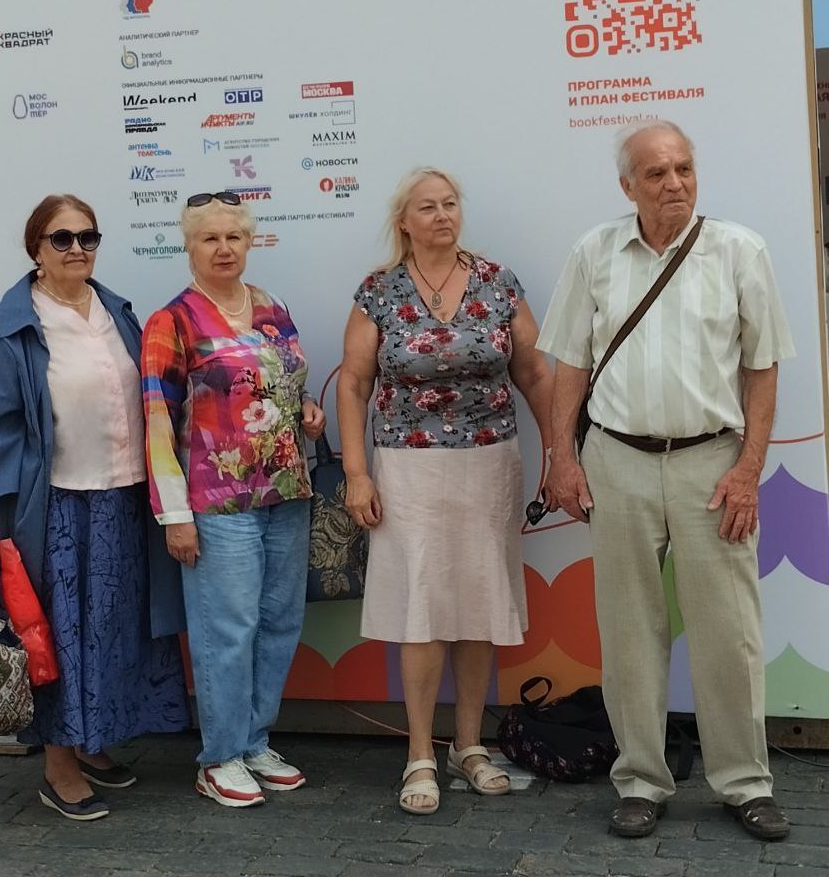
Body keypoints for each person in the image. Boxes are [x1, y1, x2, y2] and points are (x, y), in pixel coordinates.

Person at [537, 121, 794, 842]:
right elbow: (569, 365)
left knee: (729, 633)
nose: (675, 183)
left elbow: (764, 366)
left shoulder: (740, 250)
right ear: (628, 187)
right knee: (629, 632)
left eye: (684, 167)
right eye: (656, 173)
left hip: (713, 464)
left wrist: (748, 471)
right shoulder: (593, 253)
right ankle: (641, 782)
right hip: (615, 460)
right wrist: (562, 458)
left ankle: (745, 783)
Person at [0, 193, 189, 821]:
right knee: (59, 638)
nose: (76, 249)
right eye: (61, 239)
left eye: (87, 237)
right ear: (36, 249)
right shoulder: (13, 326)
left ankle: (91, 743)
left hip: (125, 497)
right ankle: (57, 766)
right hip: (57, 507)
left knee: (113, 630)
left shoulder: (117, 311)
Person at [337, 167, 553, 814]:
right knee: (423, 607)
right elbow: (353, 382)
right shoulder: (379, 291)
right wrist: (356, 472)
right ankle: (420, 754)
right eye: (427, 207)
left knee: (479, 604)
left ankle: (470, 746)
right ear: (404, 222)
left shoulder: (498, 281)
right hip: (408, 469)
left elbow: (534, 372)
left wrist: (560, 455)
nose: (442, 215)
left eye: (450, 204)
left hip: (490, 465)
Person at [141, 191, 326, 808]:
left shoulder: (272, 307)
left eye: (233, 237)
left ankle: (254, 740)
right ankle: (219, 756)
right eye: (210, 238)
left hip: (287, 492)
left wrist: (308, 411)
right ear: (189, 246)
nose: (223, 248)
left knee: (279, 624)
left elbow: (286, 384)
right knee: (228, 630)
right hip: (216, 504)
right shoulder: (172, 322)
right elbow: (157, 422)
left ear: (249, 242)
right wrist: (174, 516)